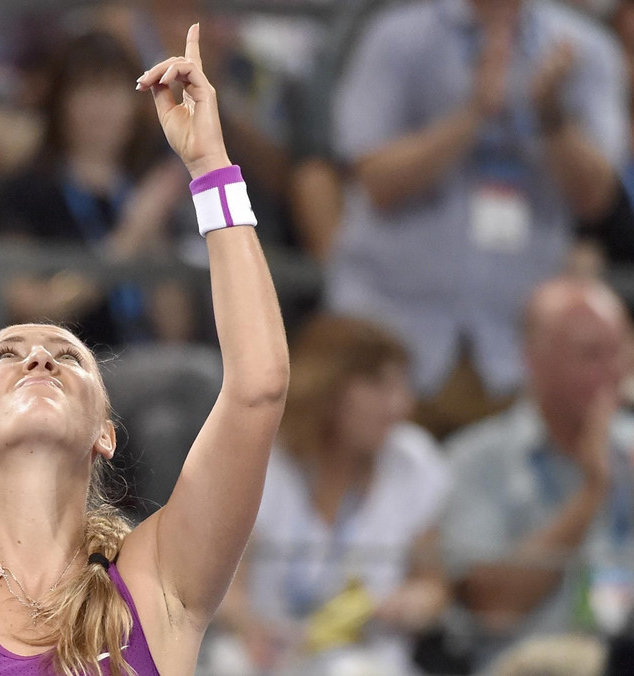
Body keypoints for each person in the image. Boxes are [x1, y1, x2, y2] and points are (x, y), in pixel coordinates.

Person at [0, 21, 289, 675]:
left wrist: (211, 168)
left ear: (105, 432)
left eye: (69, 357)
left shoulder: (156, 585)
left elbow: (258, 389)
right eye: (6, 354)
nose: (39, 357)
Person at [329, 0, 628, 438]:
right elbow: (375, 180)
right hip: (391, 328)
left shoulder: (583, 49)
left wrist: (550, 115)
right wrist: (472, 114)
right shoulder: (399, 38)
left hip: (516, 344)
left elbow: (596, 197)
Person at [213, 315, 449, 675]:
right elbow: (224, 591)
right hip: (267, 657)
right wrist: (252, 630)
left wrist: (412, 603)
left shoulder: (413, 461)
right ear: (326, 386)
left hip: (370, 657)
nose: (399, 407)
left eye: (402, 388)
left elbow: (432, 584)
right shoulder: (261, 464)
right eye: (378, 386)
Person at [441, 276, 634, 666]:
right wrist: (592, 493)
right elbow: (495, 608)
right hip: (521, 666)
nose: (613, 372)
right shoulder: (476, 459)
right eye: (592, 355)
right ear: (534, 360)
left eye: (620, 352)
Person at [0, 29, 193, 350]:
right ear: (60, 103)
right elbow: (35, 309)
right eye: (87, 90)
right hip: (64, 361)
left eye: (114, 91)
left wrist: (153, 232)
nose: (101, 107)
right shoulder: (25, 191)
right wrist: (131, 235)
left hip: (146, 360)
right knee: (198, 376)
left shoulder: (143, 191)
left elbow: (176, 331)